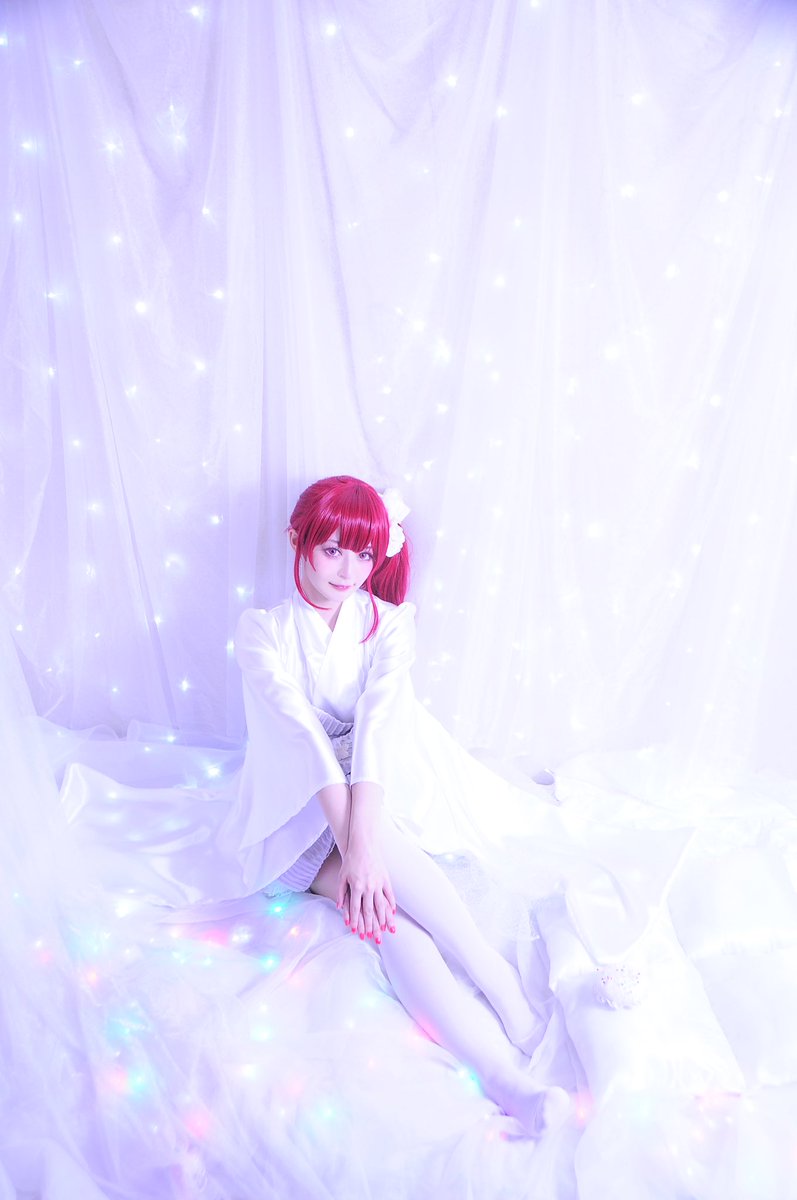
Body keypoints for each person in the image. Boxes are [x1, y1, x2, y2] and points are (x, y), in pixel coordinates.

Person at [220, 474, 571, 1137]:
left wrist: (363, 848)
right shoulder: (262, 631)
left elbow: (377, 730)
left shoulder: (388, 625)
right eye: (332, 550)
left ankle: (506, 1052)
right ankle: (505, 1063)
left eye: (361, 554)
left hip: (371, 795)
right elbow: (302, 744)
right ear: (297, 539)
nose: (347, 571)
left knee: (382, 909)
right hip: (292, 815)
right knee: (381, 912)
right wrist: (356, 852)